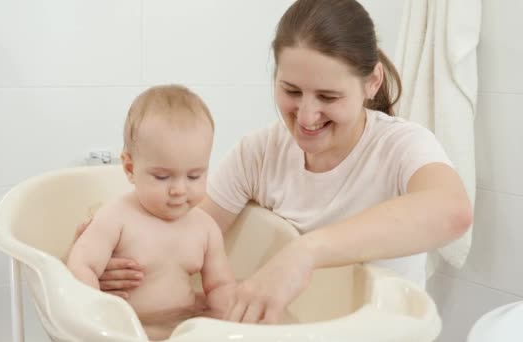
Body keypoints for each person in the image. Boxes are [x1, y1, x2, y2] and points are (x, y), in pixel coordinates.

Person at [77, 0, 473, 326]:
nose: (306, 115)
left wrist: (304, 253)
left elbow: (452, 212)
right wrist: (117, 253)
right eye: (291, 91)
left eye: (328, 97)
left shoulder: (399, 146)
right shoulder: (261, 153)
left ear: (372, 83)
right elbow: (184, 227)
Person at [67, 84, 236, 341]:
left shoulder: (206, 228)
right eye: (162, 176)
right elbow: (81, 265)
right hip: (128, 329)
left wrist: (223, 323)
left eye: (194, 175)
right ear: (130, 168)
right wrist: (99, 317)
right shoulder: (116, 218)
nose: (179, 189)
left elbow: (220, 285)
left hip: (184, 327)